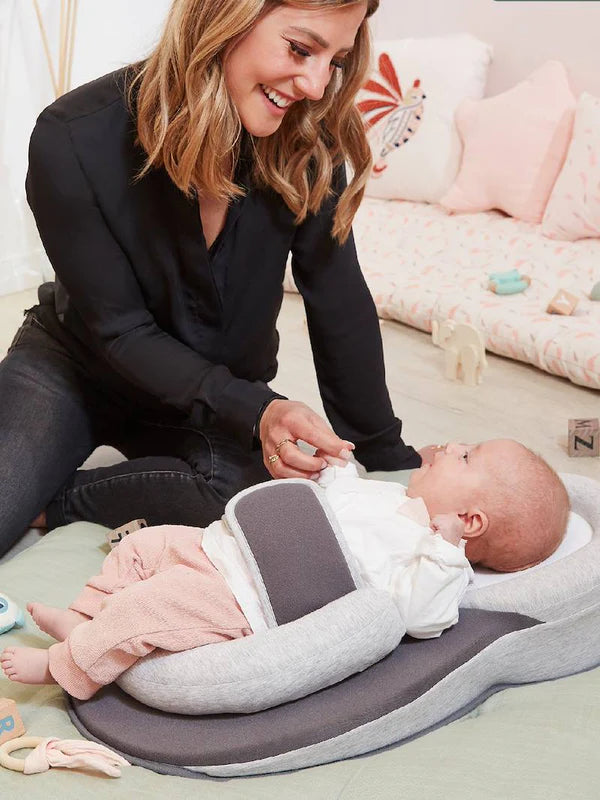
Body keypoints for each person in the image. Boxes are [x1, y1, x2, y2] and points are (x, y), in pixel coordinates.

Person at [0, 0, 428, 558]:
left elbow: (336, 296)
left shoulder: (308, 139)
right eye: (300, 49)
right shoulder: (72, 137)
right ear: (224, 17)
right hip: (76, 365)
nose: (318, 87)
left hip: (211, 391)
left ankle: (56, 502)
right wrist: (258, 410)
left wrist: (387, 458)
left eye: (336, 61)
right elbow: (121, 331)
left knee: (266, 498)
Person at [1, 439, 570, 699]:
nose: (448, 447)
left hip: (243, 596)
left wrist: (444, 553)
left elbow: (419, 617)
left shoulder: (432, 558)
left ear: (469, 523)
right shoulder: (393, 500)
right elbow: (333, 503)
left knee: (151, 607)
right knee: (139, 549)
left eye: (466, 457)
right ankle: (83, 620)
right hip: (221, 545)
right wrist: (334, 470)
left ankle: (65, 667)